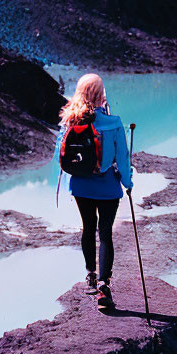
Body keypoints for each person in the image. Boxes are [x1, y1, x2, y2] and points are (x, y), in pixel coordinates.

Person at [54, 73, 133, 310]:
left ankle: (90, 274)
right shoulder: (114, 122)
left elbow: (61, 153)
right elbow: (123, 158)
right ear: (101, 94)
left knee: (88, 227)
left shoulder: (70, 121)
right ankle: (103, 285)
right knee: (105, 232)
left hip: (80, 185)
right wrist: (127, 183)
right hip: (108, 187)